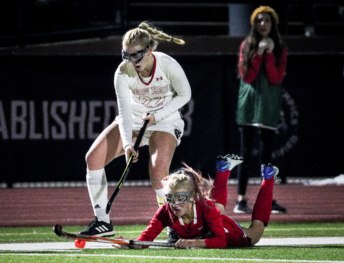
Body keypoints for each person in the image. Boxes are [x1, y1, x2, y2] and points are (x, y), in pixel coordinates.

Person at [79, 22, 192, 237]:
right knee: (92, 158)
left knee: (158, 171)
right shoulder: (123, 72)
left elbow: (185, 95)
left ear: (149, 50)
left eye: (136, 57)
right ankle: (102, 222)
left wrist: (157, 116)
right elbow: (124, 113)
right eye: (126, 56)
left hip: (165, 120)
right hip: (135, 121)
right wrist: (129, 144)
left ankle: (172, 225)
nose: (132, 62)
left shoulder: (167, 64)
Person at [113, 154, 279, 249]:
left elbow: (220, 241)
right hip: (209, 221)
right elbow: (145, 239)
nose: (175, 204)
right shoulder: (166, 210)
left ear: (192, 197)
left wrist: (192, 242)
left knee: (256, 231)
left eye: (181, 198)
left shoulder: (205, 207)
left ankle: (268, 178)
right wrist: (129, 243)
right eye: (170, 198)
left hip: (229, 232)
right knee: (216, 209)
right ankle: (223, 169)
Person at [234, 6, 287, 214]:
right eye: (259, 21)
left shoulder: (280, 47)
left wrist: (270, 54)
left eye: (266, 20)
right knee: (245, 153)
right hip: (248, 105)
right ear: (253, 24)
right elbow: (247, 76)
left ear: (273, 23)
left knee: (267, 155)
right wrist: (258, 53)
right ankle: (241, 200)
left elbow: (275, 78)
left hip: (268, 106)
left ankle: (267, 200)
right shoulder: (247, 45)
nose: (263, 24)